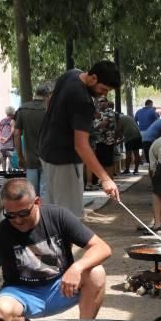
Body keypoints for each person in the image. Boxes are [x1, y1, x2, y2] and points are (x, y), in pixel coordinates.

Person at [0, 178, 111, 321]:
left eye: (23, 213)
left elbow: (102, 247)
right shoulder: (1, 232)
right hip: (21, 292)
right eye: (10, 215)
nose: (17, 220)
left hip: (60, 286)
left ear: (37, 202)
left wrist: (77, 267)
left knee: (96, 272)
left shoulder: (58, 216)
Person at [37, 61, 122, 216]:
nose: (104, 94)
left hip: (46, 151)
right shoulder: (83, 101)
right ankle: (64, 240)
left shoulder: (71, 74)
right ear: (93, 78)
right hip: (64, 160)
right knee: (69, 216)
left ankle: (51, 239)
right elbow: (81, 145)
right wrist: (105, 179)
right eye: (103, 89)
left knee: (51, 212)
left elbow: (50, 102)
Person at [15, 81, 53, 198]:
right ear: (49, 94)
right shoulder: (50, 111)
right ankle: (43, 215)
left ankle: (33, 215)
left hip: (29, 159)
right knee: (45, 194)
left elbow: (16, 134)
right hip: (48, 157)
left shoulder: (23, 109)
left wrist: (20, 156)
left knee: (31, 194)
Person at [0, 106, 16, 170]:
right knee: (11, 158)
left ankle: (4, 172)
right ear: (12, 112)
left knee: (3, 158)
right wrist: (7, 139)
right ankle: (11, 173)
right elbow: (12, 131)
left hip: (2, 142)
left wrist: (2, 138)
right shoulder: (12, 121)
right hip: (9, 142)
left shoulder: (2, 121)